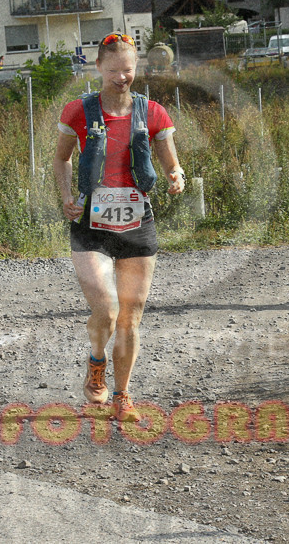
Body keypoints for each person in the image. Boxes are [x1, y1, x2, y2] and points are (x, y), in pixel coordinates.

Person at [53, 33, 185, 422]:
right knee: (107, 310)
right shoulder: (77, 110)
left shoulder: (153, 112)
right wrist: (65, 197)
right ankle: (97, 364)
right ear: (98, 69)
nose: (121, 77)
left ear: (136, 68)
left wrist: (176, 175)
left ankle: (122, 396)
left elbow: (169, 159)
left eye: (128, 69)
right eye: (113, 70)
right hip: (90, 222)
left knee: (131, 314)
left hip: (136, 220)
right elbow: (60, 160)